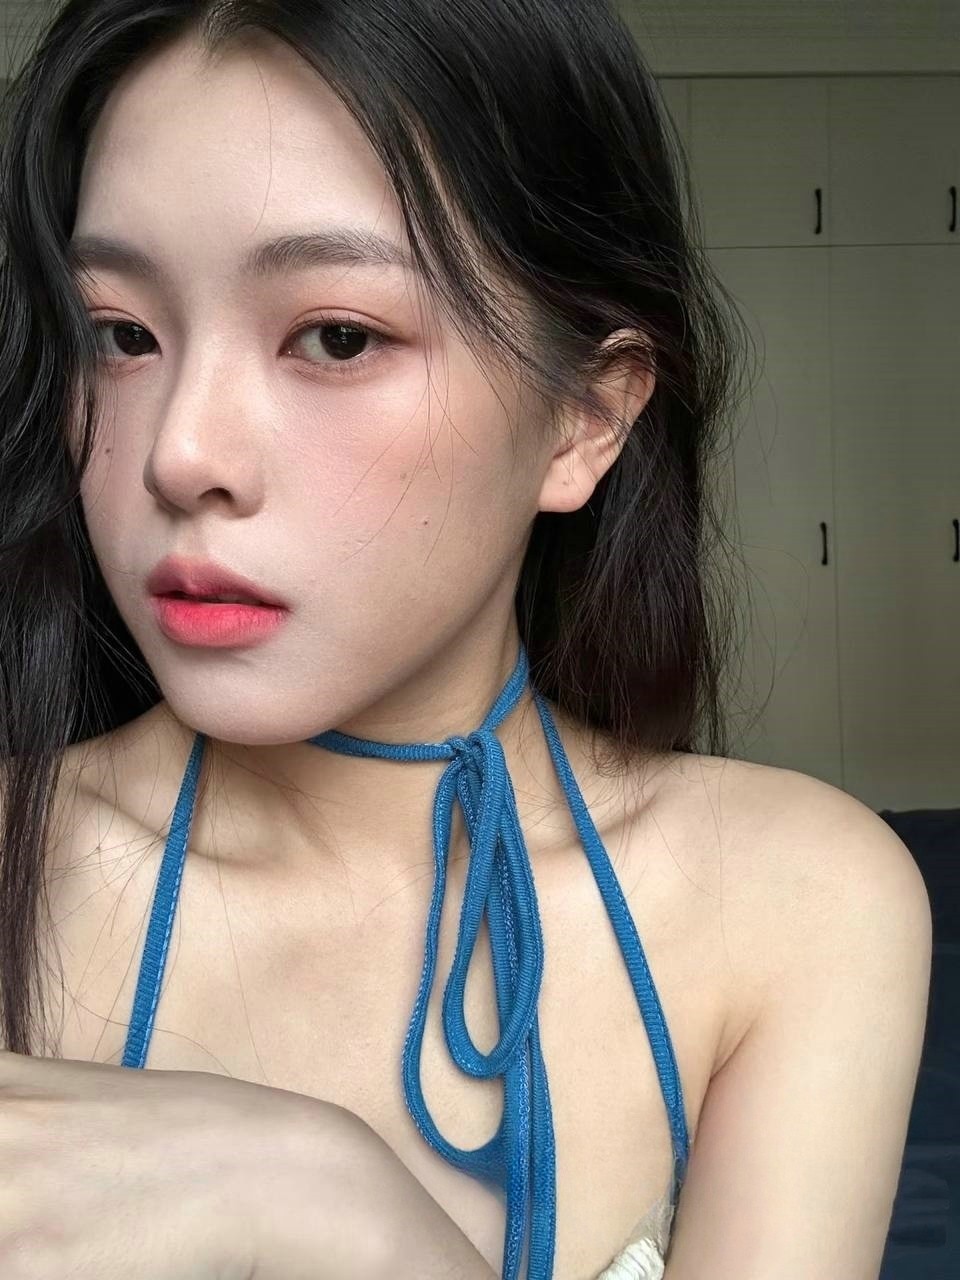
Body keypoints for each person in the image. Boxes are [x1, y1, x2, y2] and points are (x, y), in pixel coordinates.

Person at [0, 1, 932, 1277]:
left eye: (337, 336)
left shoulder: (795, 900)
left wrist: (336, 1207)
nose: (181, 452)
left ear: (584, 417)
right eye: (122, 336)